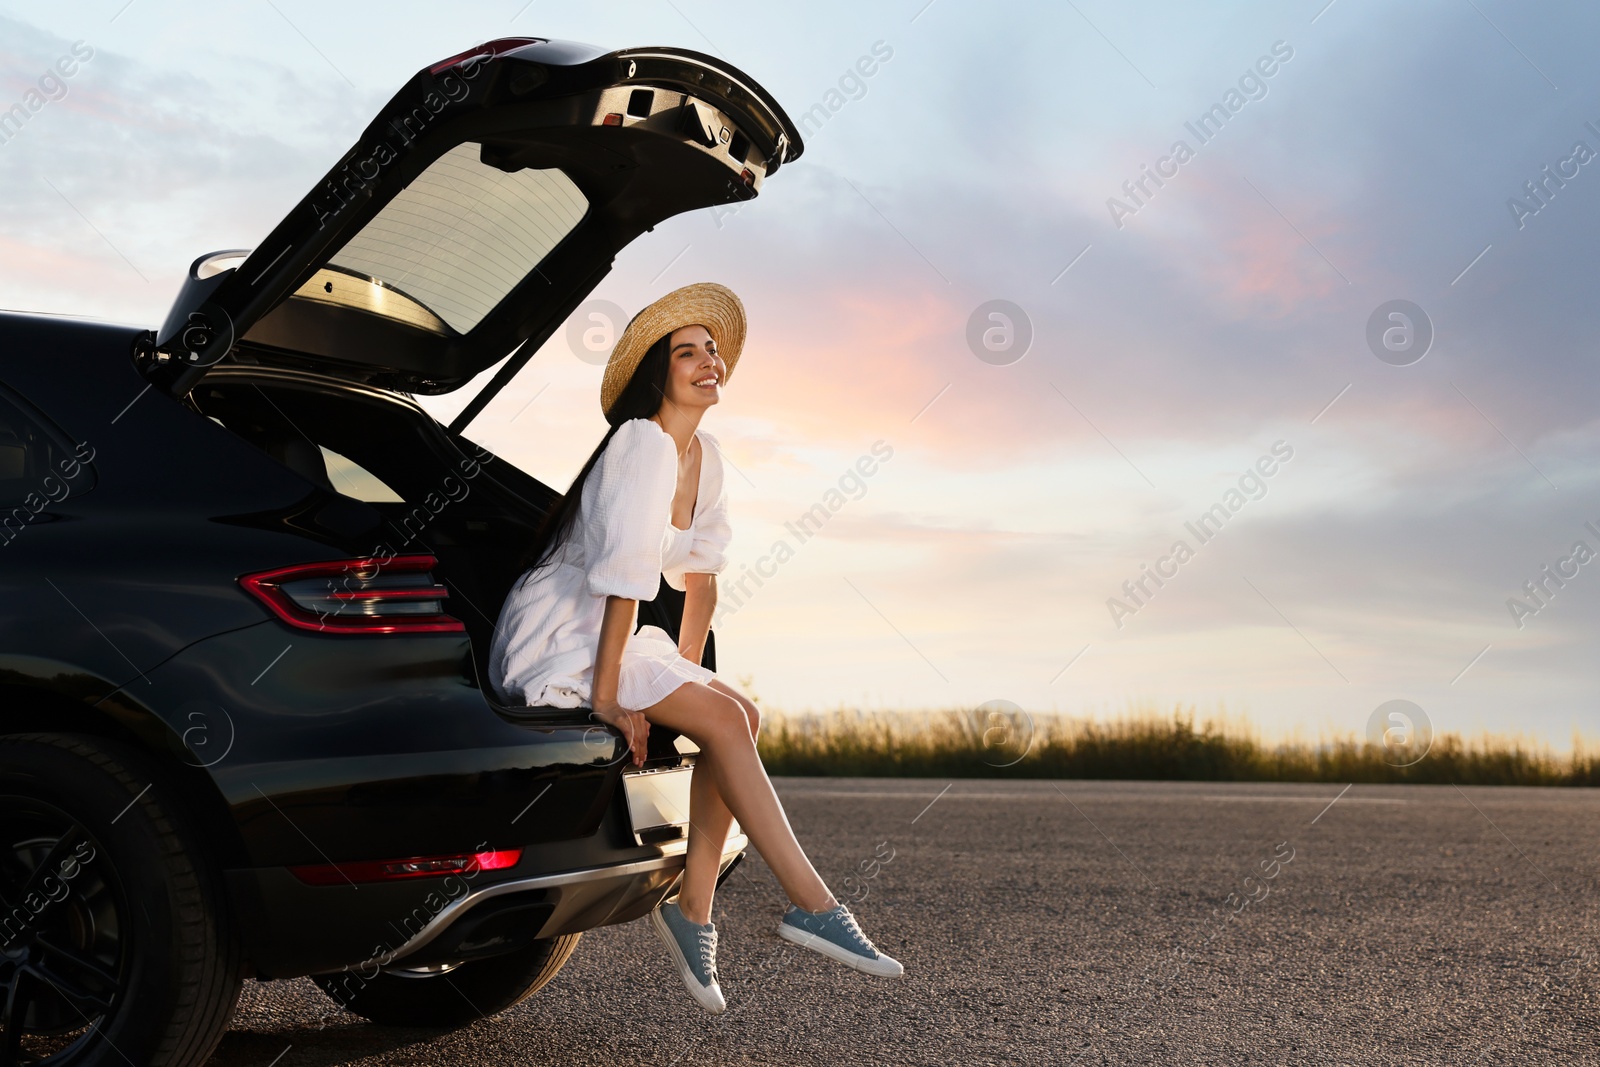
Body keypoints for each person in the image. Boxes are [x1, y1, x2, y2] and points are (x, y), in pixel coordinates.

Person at [489, 282, 902, 1015]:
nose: (709, 361)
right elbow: (622, 581)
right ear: (658, 371)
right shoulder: (639, 443)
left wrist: (688, 681)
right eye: (688, 351)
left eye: (713, 350)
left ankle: (693, 911)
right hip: (561, 630)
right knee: (722, 719)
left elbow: (699, 583)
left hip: (617, 625)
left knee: (740, 714)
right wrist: (611, 696)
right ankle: (811, 903)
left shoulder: (704, 455)